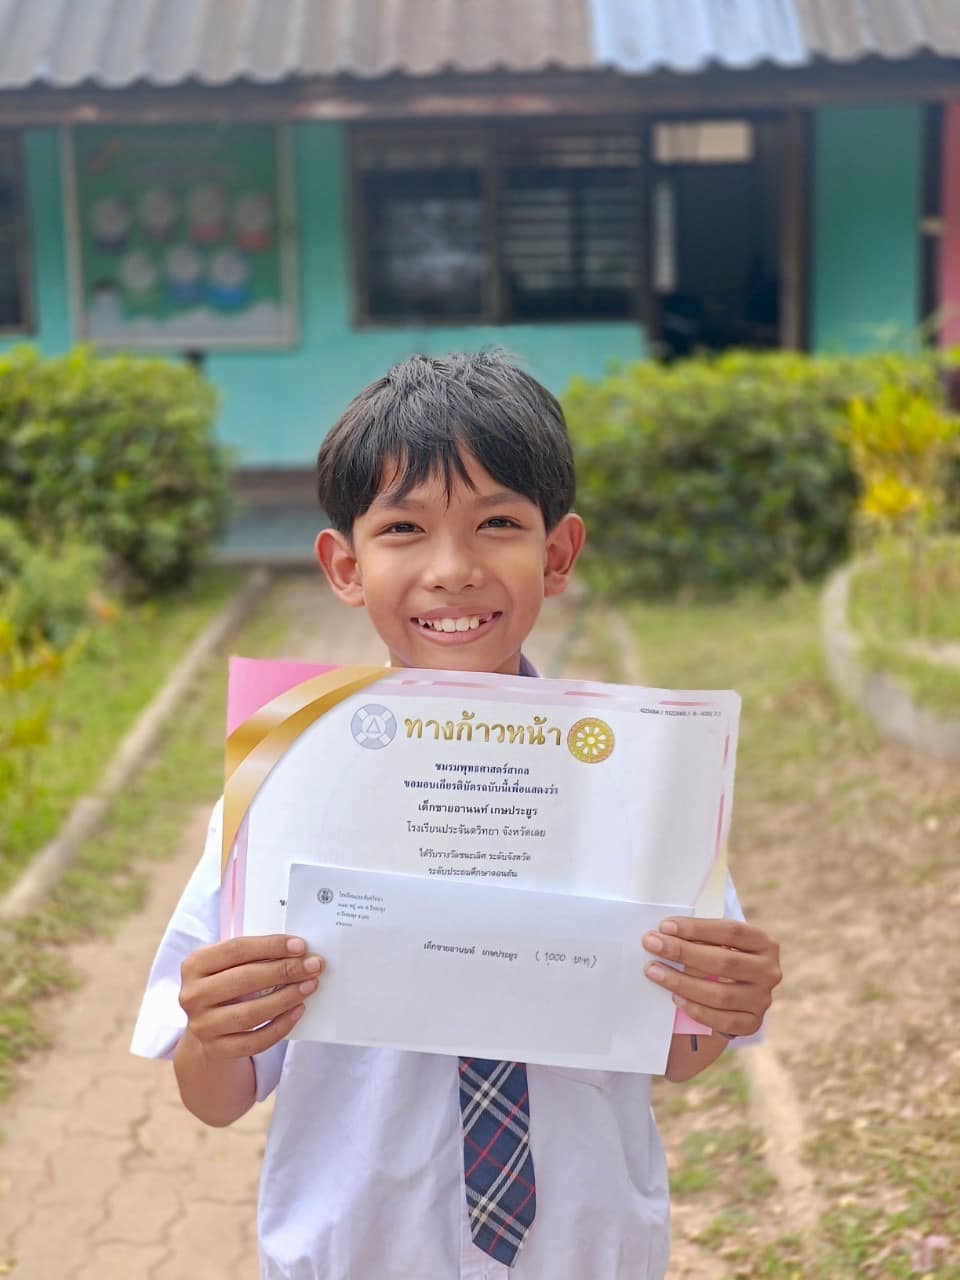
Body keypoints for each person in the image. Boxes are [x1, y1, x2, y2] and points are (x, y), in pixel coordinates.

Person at [131, 351, 782, 1279]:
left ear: (557, 555)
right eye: (403, 528)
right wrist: (213, 1031)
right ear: (346, 566)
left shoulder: (639, 780)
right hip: (358, 1253)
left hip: (581, 1253)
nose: (452, 569)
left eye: (498, 524)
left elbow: (679, 1052)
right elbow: (216, 1098)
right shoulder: (284, 785)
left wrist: (720, 1001)